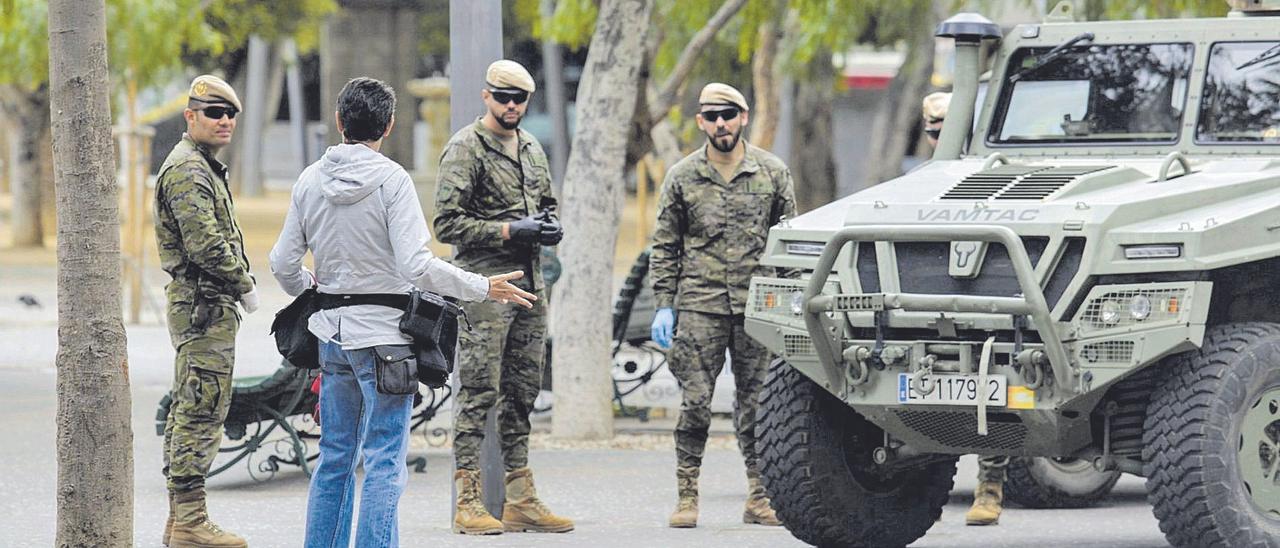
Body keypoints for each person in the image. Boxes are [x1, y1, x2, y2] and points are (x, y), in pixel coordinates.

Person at [269, 77, 536, 547]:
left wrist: (312, 289)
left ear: (339, 121)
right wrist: (480, 286)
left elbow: (281, 263)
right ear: (389, 125)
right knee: (384, 462)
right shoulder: (392, 180)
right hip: (387, 343)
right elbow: (416, 265)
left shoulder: (310, 180)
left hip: (332, 337)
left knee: (335, 458)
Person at [434, 59, 571, 535]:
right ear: (486, 96)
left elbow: (546, 203)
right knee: (477, 391)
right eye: (503, 98)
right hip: (485, 289)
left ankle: (520, 495)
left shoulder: (532, 146)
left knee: (522, 392)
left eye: (519, 100)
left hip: (530, 286)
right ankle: (467, 499)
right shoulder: (465, 149)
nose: (511, 107)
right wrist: (511, 228)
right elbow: (447, 224)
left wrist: (548, 226)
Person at [649, 82, 796, 529]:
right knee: (695, 403)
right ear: (700, 122)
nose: (720, 124)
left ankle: (760, 496)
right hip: (700, 306)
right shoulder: (682, 176)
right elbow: (664, 245)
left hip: (757, 308)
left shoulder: (772, 172)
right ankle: (687, 495)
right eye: (711, 116)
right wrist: (663, 304)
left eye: (728, 114)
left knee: (757, 407)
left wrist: (788, 303)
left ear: (744, 117)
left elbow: (787, 245)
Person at [154, 74, 256, 548]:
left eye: (231, 113)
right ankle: (191, 521)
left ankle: (181, 522)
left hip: (207, 305)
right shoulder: (188, 171)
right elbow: (205, 246)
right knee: (200, 408)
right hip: (203, 304)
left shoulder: (202, 165)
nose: (225, 121)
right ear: (189, 116)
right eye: (214, 113)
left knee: (194, 405)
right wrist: (245, 283)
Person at [922, 89, 1008, 526]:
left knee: (989, 389)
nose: (942, 139)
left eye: (949, 129)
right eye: (934, 131)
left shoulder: (996, 174)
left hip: (984, 300)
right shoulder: (920, 182)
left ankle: (989, 489)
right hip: (929, 305)